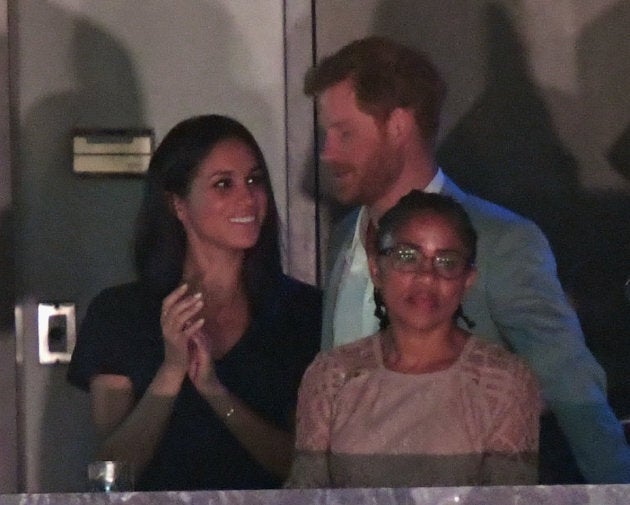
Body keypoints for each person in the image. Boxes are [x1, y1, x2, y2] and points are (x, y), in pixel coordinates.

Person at [304, 36, 630, 483]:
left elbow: (576, 396)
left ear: (398, 126)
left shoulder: (501, 243)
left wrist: (616, 491)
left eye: (344, 133)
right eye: (327, 135)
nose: (327, 153)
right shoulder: (344, 238)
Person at [67, 114, 322, 491]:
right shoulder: (120, 313)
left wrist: (215, 392)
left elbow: (304, 468)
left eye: (255, 180)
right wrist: (171, 371)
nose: (247, 197)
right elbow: (113, 471)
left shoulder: (302, 311)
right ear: (178, 205)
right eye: (224, 184)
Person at [286, 190, 542, 488]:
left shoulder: (502, 382)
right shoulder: (332, 376)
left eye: (446, 262)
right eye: (408, 257)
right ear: (376, 270)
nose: (426, 277)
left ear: (467, 280)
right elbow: (306, 494)